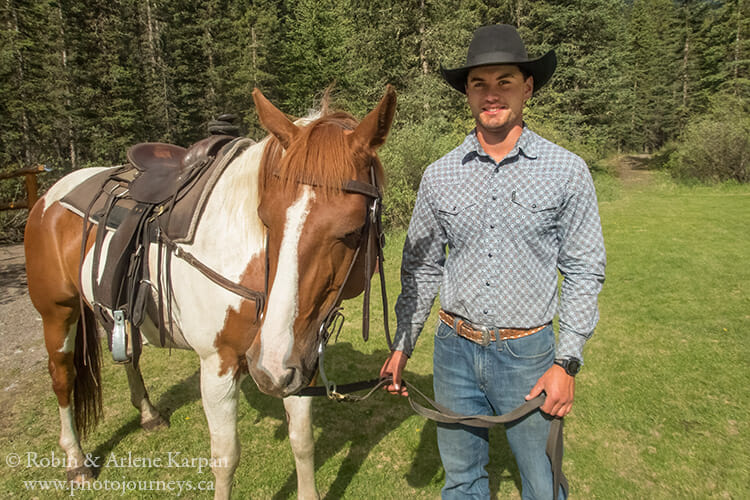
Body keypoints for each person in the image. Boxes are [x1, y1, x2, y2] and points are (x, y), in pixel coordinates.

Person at [380, 24, 606, 499]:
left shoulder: (566, 170)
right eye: (479, 83)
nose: (492, 94)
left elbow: (585, 269)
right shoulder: (439, 175)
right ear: (466, 91)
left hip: (528, 356)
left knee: (543, 485)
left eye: (505, 81)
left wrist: (567, 362)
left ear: (527, 87)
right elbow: (421, 267)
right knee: (461, 483)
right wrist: (403, 343)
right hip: (453, 353)